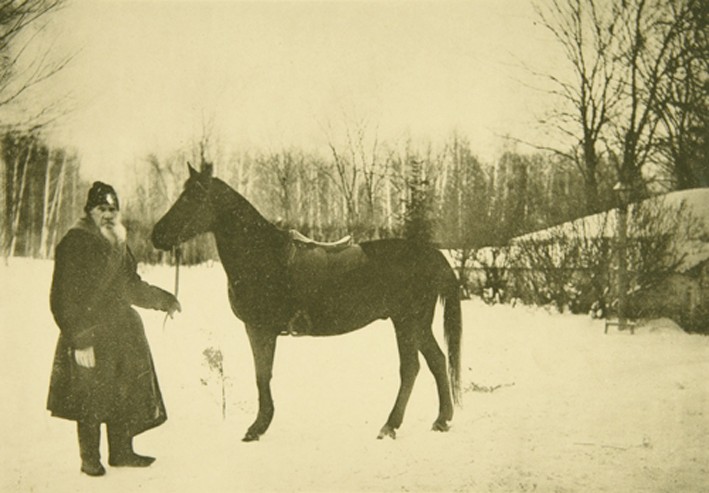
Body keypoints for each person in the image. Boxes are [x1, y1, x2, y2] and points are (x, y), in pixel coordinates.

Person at [47, 181, 181, 477]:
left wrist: (163, 299)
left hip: (121, 330)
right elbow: (62, 297)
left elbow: (130, 286)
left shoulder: (118, 241)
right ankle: (89, 459)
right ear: (89, 211)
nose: (107, 214)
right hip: (88, 331)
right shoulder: (75, 242)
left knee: (124, 389)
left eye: (112, 209)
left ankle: (122, 452)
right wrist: (79, 340)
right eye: (101, 209)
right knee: (90, 395)